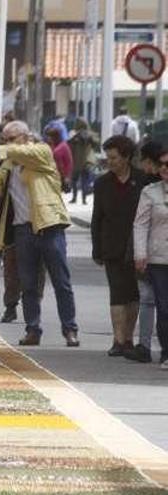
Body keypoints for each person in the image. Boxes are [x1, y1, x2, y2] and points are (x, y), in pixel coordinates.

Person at [0, 121, 80, 347]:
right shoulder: (9, 164)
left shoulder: (41, 152)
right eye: (5, 140)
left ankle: (70, 329)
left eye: (11, 138)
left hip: (49, 225)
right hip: (22, 229)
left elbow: (22, 152)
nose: (7, 143)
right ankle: (32, 329)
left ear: (25, 136)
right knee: (28, 284)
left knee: (61, 281)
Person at [93, 135, 148, 357]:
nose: (110, 161)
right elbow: (97, 218)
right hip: (112, 245)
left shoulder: (143, 180)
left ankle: (128, 339)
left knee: (133, 295)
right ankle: (117, 339)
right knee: (117, 293)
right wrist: (97, 249)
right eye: (108, 157)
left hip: (136, 246)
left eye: (114, 157)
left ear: (126, 157)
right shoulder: (102, 183)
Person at [127, 146, 166, 363]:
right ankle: (153, 348)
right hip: (154, 256)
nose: (164, 168)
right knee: (155, 302)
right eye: (161, 165)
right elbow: (139, 225)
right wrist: (139, 253)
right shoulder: (149, 190)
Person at [67, 119, 99, 204]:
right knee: (85, 180)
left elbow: (69, 145)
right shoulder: (90, 135)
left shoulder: (75, 136)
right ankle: (84, 200)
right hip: (87, 161)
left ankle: (74, 198)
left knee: (74, 180)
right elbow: (95, 144)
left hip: (77, 162)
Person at [45, 127, 73, 192]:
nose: (48, 139)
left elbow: (65, 164)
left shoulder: (61, 148)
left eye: (49, 137)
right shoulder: (56, 145)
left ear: (54, 137)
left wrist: (66, 177)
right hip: (57, 175)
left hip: (60, 177)